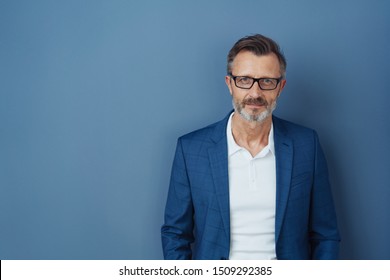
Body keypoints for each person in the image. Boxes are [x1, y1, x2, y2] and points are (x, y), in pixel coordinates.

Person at [161, 34, 340, 260]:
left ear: (280, 87)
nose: (255, 93)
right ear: (230, 84)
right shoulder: (191, 150)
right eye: (244, 80)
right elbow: (176, 235)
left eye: (266, 81)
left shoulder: (306, 145)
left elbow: (326, 235)